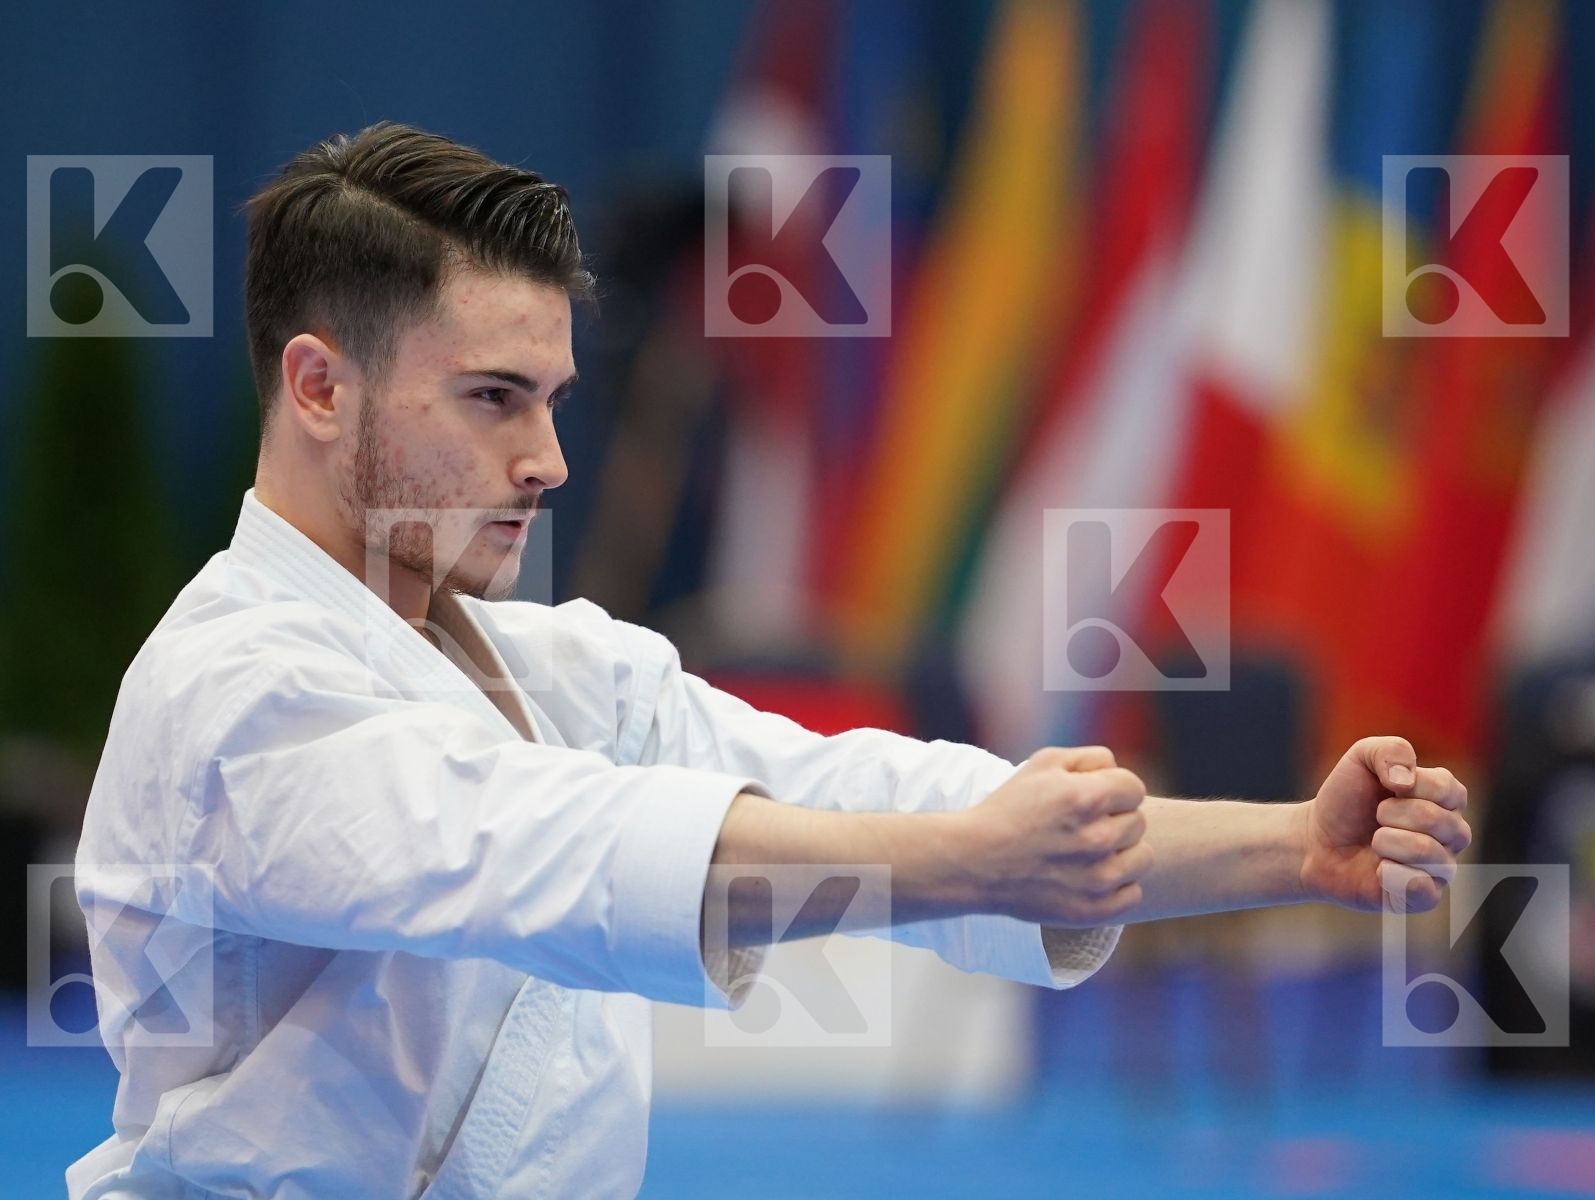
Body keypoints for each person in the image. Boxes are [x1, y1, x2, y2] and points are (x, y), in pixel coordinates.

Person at [66, 121, 1471, 1199]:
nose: (548, 459)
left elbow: (905, 799)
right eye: (492, 399)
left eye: (553, 400)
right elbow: (543, 848)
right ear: (320, 385)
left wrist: (1291, 844)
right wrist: (974, 861)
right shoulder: (233, 689)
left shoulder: (561, 670)